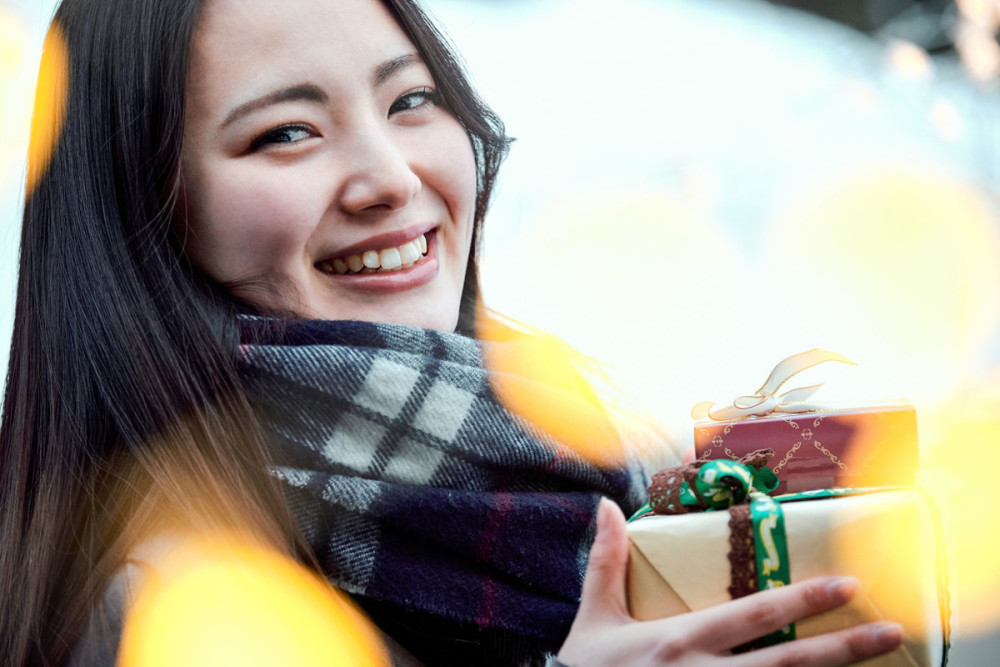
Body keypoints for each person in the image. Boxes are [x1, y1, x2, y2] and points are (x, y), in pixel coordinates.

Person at [0, 0, 906, 664]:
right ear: (144, 208)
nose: (390, 178)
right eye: (286, 132)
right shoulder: (163, 599)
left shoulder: (587, 445)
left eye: (409, 102)